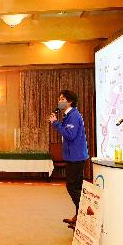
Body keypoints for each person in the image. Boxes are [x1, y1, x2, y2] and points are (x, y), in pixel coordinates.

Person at [48, 89, 89, 228]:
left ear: (70, 101)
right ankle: (79, 216)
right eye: (59, 98)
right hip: (73, 156)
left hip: (75, 157)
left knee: (72, 187)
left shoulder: (74, 116)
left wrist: (55, 123)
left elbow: (70, 135)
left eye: (62, 99)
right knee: (76, 187)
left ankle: (84, 214)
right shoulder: (68, 115)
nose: (59, 101)